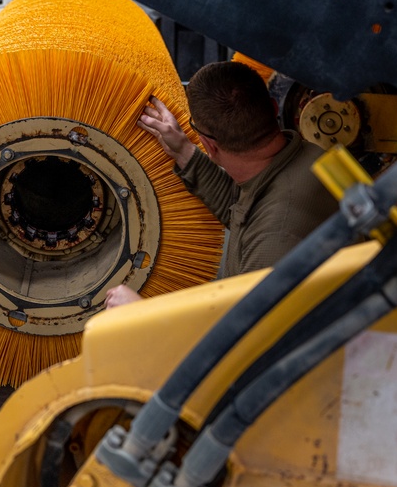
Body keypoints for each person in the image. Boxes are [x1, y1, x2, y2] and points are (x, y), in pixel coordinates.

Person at [106, 60, 338, 309]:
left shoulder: (274, 241)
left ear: (210, 145)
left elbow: (246, 340)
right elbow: (245, 209)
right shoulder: (314, 157)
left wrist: (140, 314)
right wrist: (184, 151)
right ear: (273, 108)